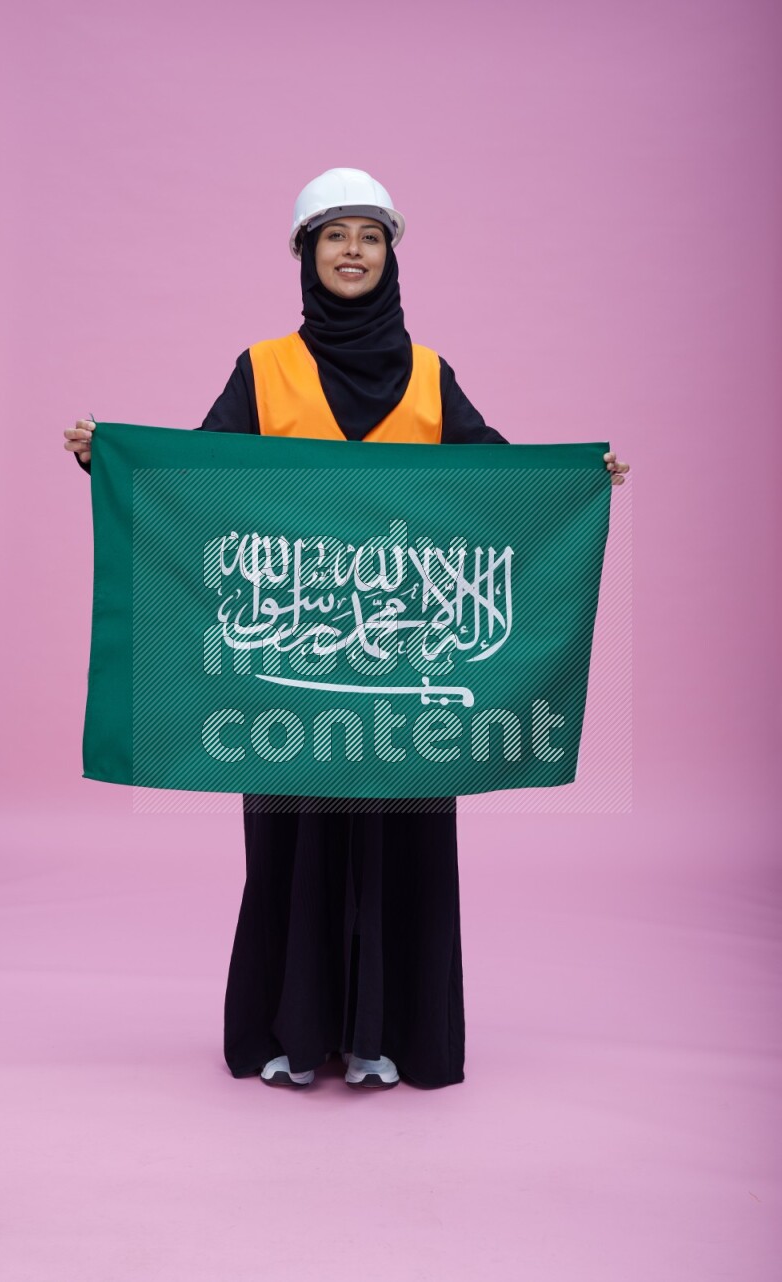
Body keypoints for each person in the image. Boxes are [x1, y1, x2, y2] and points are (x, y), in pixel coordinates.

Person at [65, 167, 630, 1092]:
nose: (353, 252)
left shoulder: (431, 374)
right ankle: (294, 1034)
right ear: (306, 255)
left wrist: (578, 481)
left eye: (369, 236)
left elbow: (496, 480)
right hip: (292, 669)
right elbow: (196, 478)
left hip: (407, 675)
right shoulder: (265, 369)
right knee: (296, 847)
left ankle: (391, 1036)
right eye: (335, 237)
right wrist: (112, 460)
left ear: (391, 254)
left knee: (401, 846)